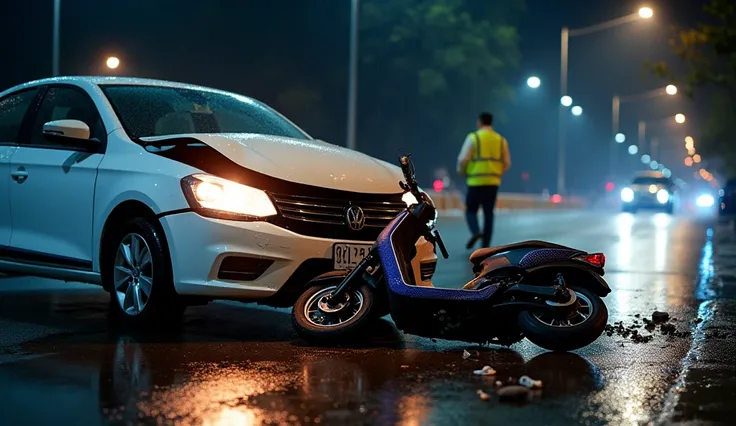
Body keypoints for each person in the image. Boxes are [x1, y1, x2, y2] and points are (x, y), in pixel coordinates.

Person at [456, 112, 511, 249]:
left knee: (470, 210)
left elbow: (463, 159)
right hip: (492, 183)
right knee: (488, 214)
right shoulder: (501, 140)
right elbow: (507, 163)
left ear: (479, 122)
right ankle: (486, 245)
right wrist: (497, 174)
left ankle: (476, 231)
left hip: (475, 182)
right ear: (491, 123)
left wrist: (462, 172)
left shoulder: (473, 137)